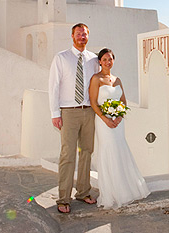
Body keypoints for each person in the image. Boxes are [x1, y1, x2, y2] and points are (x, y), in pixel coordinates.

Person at [48, 23, 100, 214]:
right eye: (78, 34)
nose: (81, 37)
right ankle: (63, 198)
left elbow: (99, 82)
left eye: (84, 34)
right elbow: (53, 86)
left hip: (88, 111)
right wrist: (55, 113)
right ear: (72, 36)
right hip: (68, 112)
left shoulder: (93, 59)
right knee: (67, 155)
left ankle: (83, 192)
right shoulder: (61, 58)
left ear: (88, 36)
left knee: (86, 152)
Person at [89, 48, 150, 209]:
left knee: (120, 149)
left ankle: (126, 189)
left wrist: (119, 116)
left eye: (110, 59)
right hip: (103, 122)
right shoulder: (96, 79)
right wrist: (105, 119)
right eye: (105, 59)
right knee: (109, 151)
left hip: (118, 122)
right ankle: (112, 192)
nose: (108, 62)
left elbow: (123, 101)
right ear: (100, 62)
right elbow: (94, 102)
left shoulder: (117, 79)